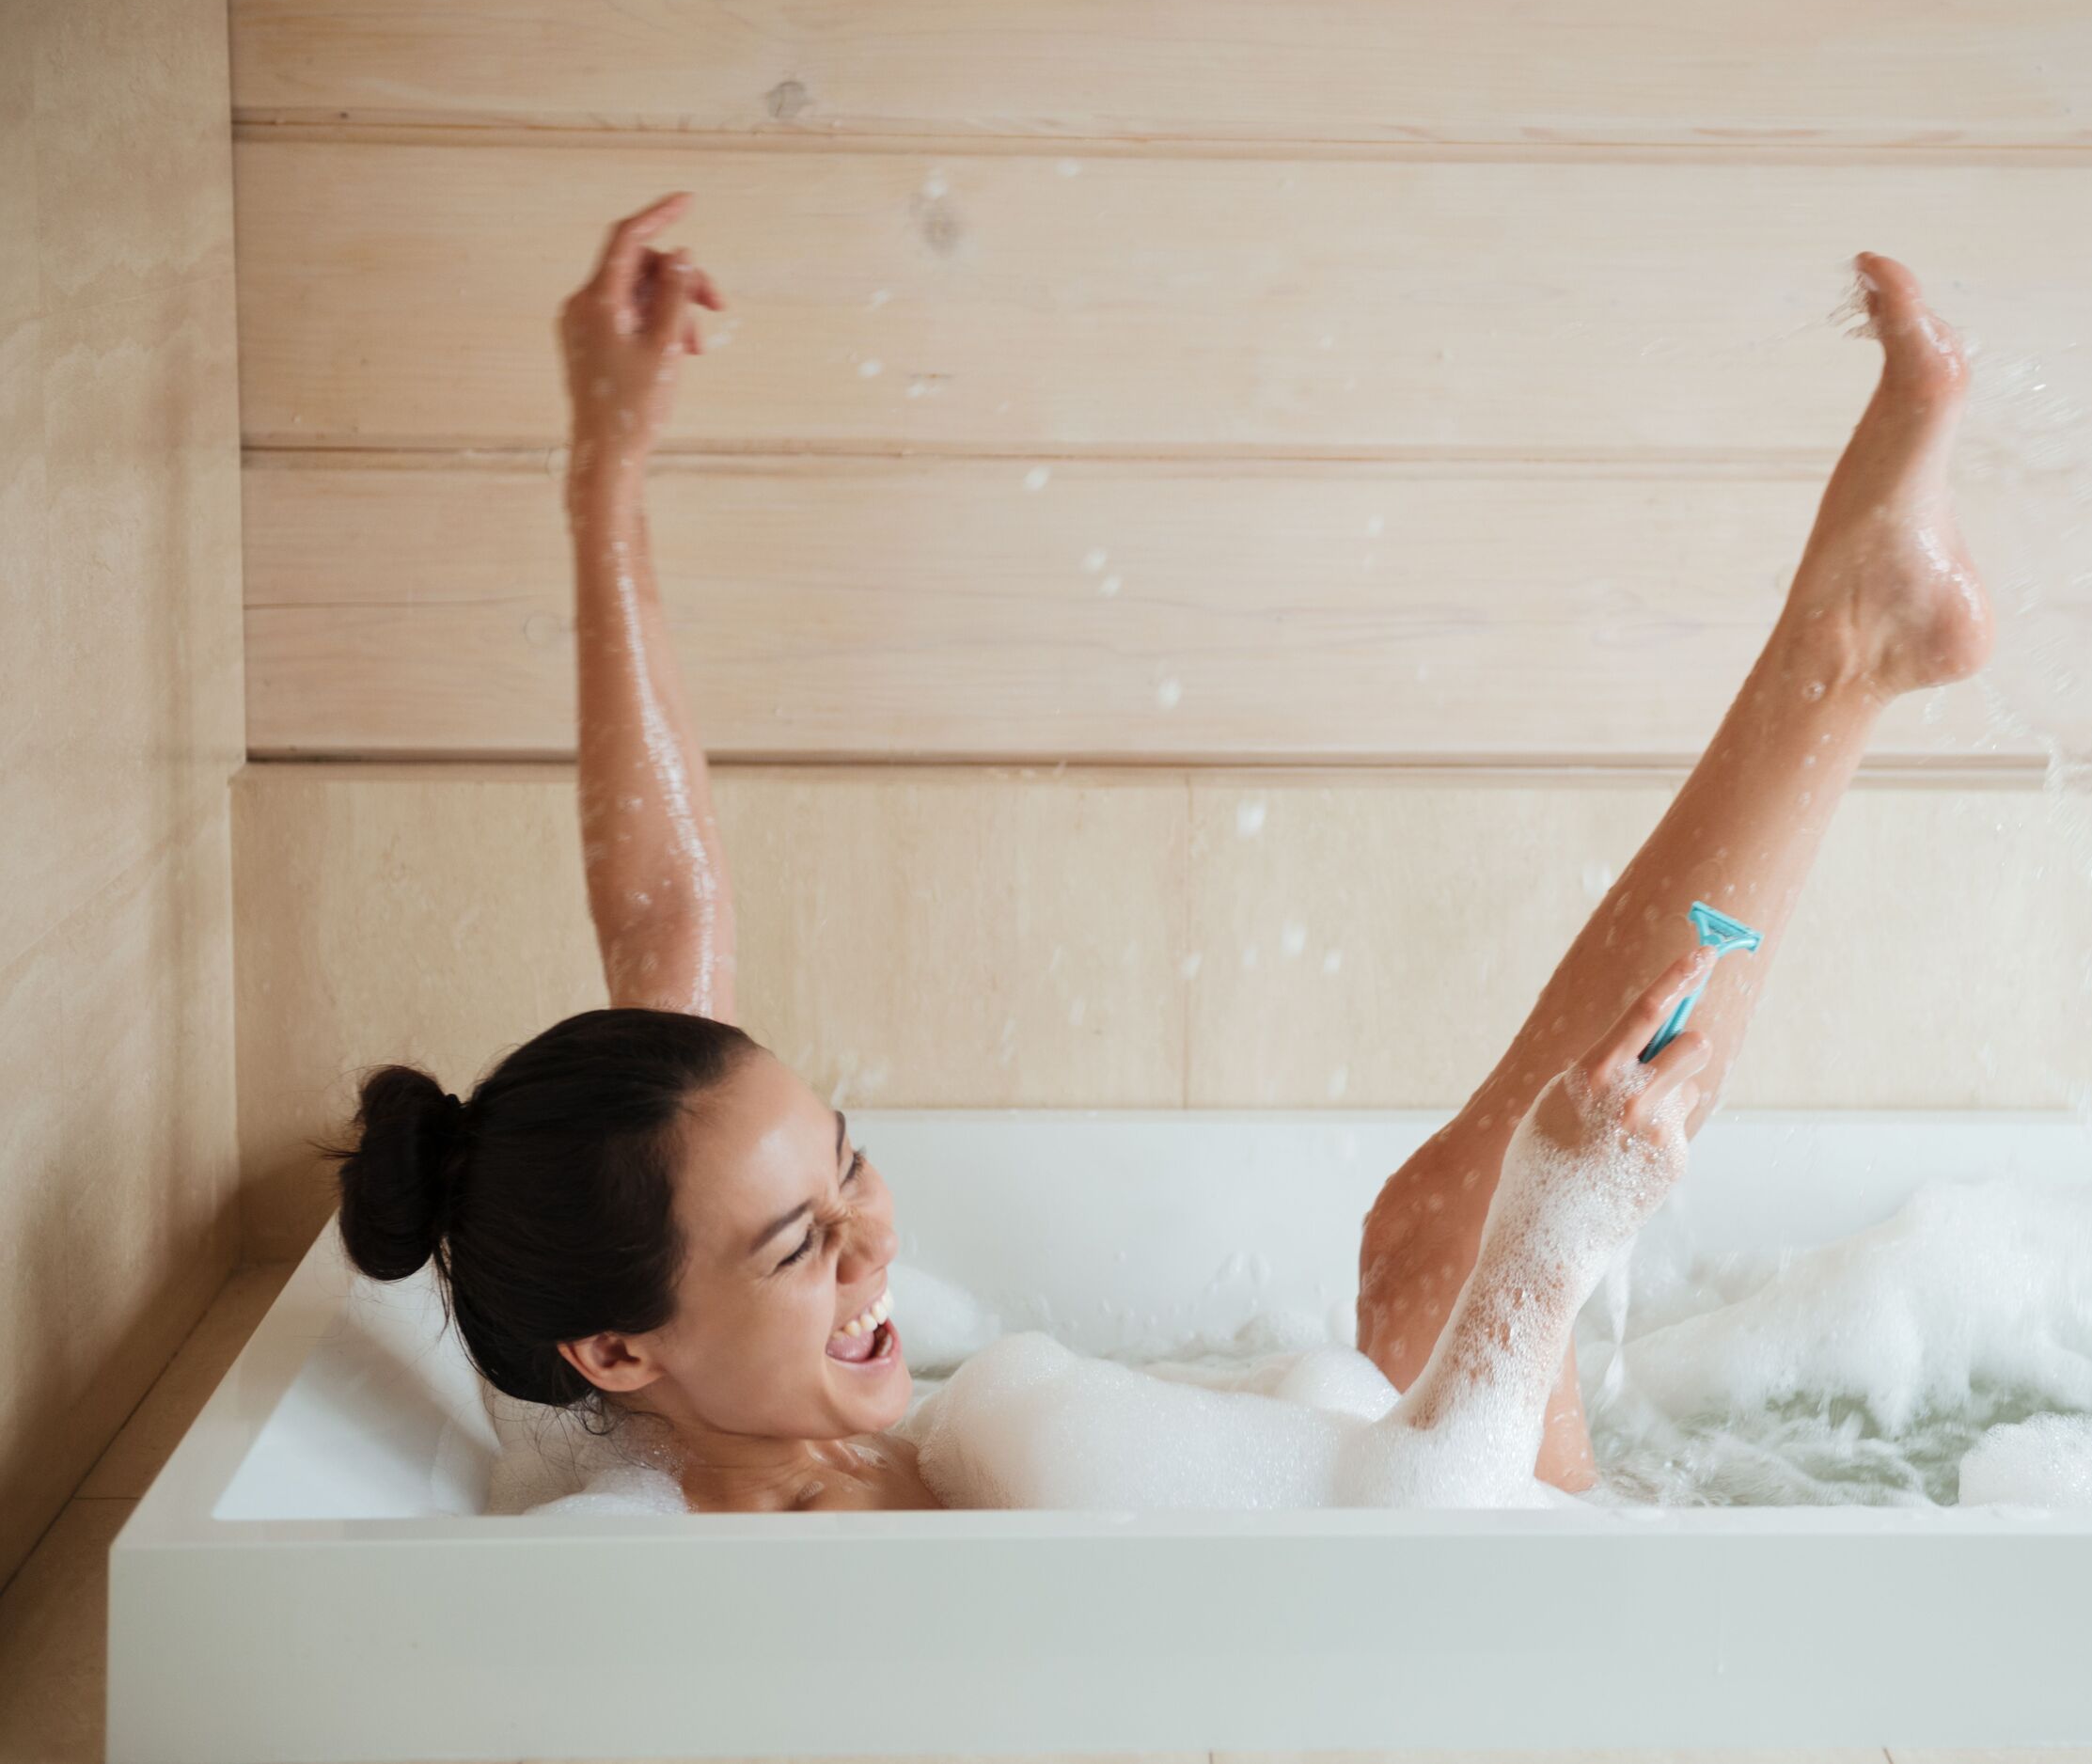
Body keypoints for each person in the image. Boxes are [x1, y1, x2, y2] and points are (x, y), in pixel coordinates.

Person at [329, 193, 1990, 1513]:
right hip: (1494, 1586)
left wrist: (605, 469)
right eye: (800, 1243)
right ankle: (1846, 652)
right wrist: (1563, 1231)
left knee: (1425, 1240)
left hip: (1415, 1512)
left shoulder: (637, 1355)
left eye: (845, 1167)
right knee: (1467, 1228)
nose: (871, 1239)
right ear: (618, 1345)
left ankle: (1852, 646)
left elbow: (664, 910)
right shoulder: (810, 1563)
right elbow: (1418, 1557)